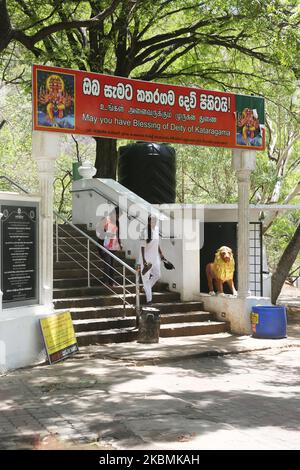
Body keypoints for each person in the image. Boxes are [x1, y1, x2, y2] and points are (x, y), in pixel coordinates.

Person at [140, 215, 165, 304]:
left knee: (158, 275)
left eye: (155, 221)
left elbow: (157, 243)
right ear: (149, 222)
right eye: (153, 221)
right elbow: (142, 246)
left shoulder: (157, 229)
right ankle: (149, 300)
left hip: (155, 258)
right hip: (146, 259)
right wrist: (143, 260)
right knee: (146, 279)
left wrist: (161, 253)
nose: (154, 223)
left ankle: (145, 288)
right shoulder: (144, 231)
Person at [97, 207, 122, 286]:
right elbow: (99, 233)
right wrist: (107, 234)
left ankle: (111, 282)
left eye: (119, 217)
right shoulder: (105, 220)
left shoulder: (117, 222)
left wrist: (120, 243)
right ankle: (105, 282)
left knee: (112, 264)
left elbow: (118, 234)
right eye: (117, 216)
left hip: (113, 246)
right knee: (107, 263)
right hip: (104, 245)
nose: (118, 218)